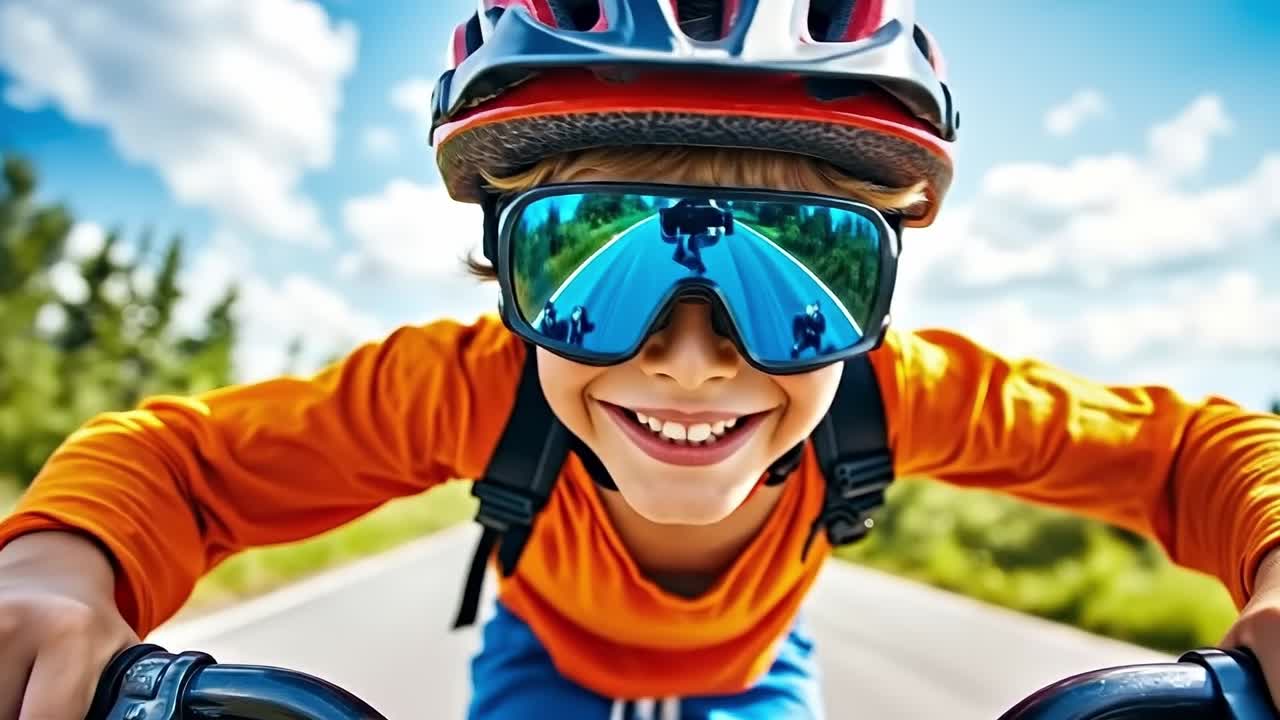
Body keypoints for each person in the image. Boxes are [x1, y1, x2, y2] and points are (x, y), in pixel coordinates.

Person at [2, 2, 1280, 719]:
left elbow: (1195, 451)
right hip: (541, 652)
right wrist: (58, 576)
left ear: (880, 295)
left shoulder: (897, 395)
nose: (685, 357)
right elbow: (172, 462)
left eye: (795, 270)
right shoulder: (465, 385)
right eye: (593, 262)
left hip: (750, 665)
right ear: (504, 279)